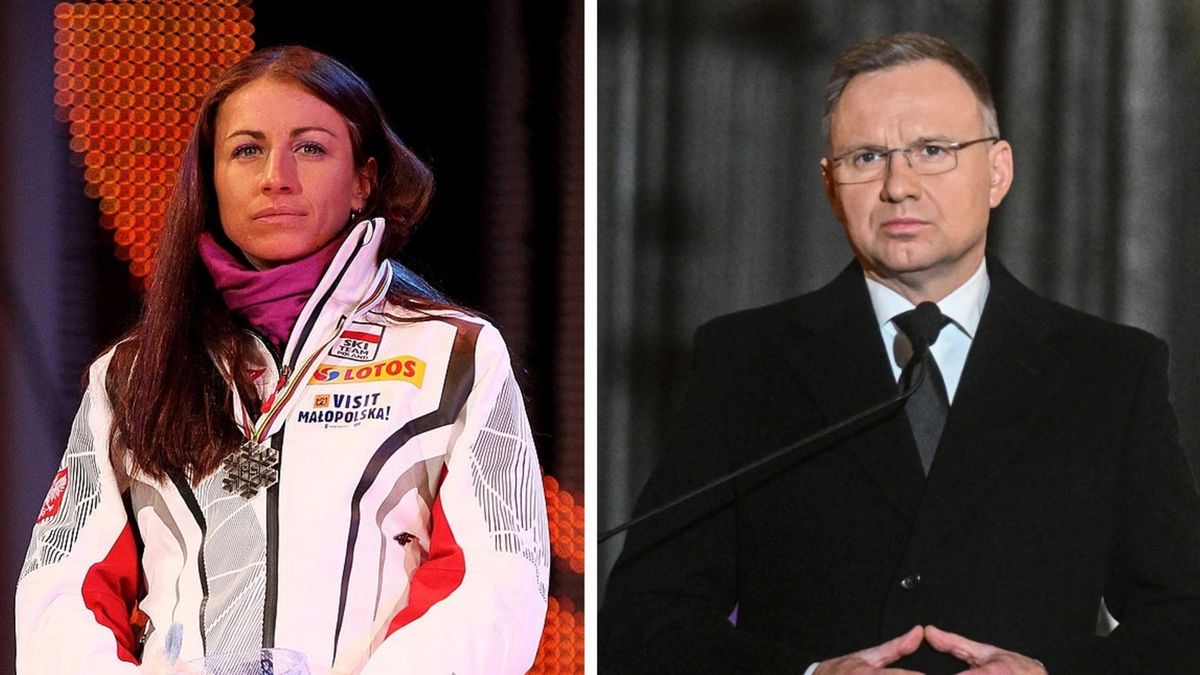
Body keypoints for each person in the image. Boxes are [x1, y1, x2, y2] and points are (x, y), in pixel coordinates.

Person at [600, 32, 1200, 674]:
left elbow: (1184, 619)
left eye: (932, 151)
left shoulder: (1109, 370)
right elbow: (647, 618)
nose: (897, 187)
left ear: (998, 172)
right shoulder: (746, 361)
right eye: (865, 158)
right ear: (831, 187)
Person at [15, 46, 549, 674]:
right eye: (247, 150)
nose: (277, 176)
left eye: (311, 148)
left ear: (364, 181)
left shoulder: (453, 354)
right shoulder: (132, 375)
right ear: (211, 182)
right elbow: (66, 592)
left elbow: (493, 578)